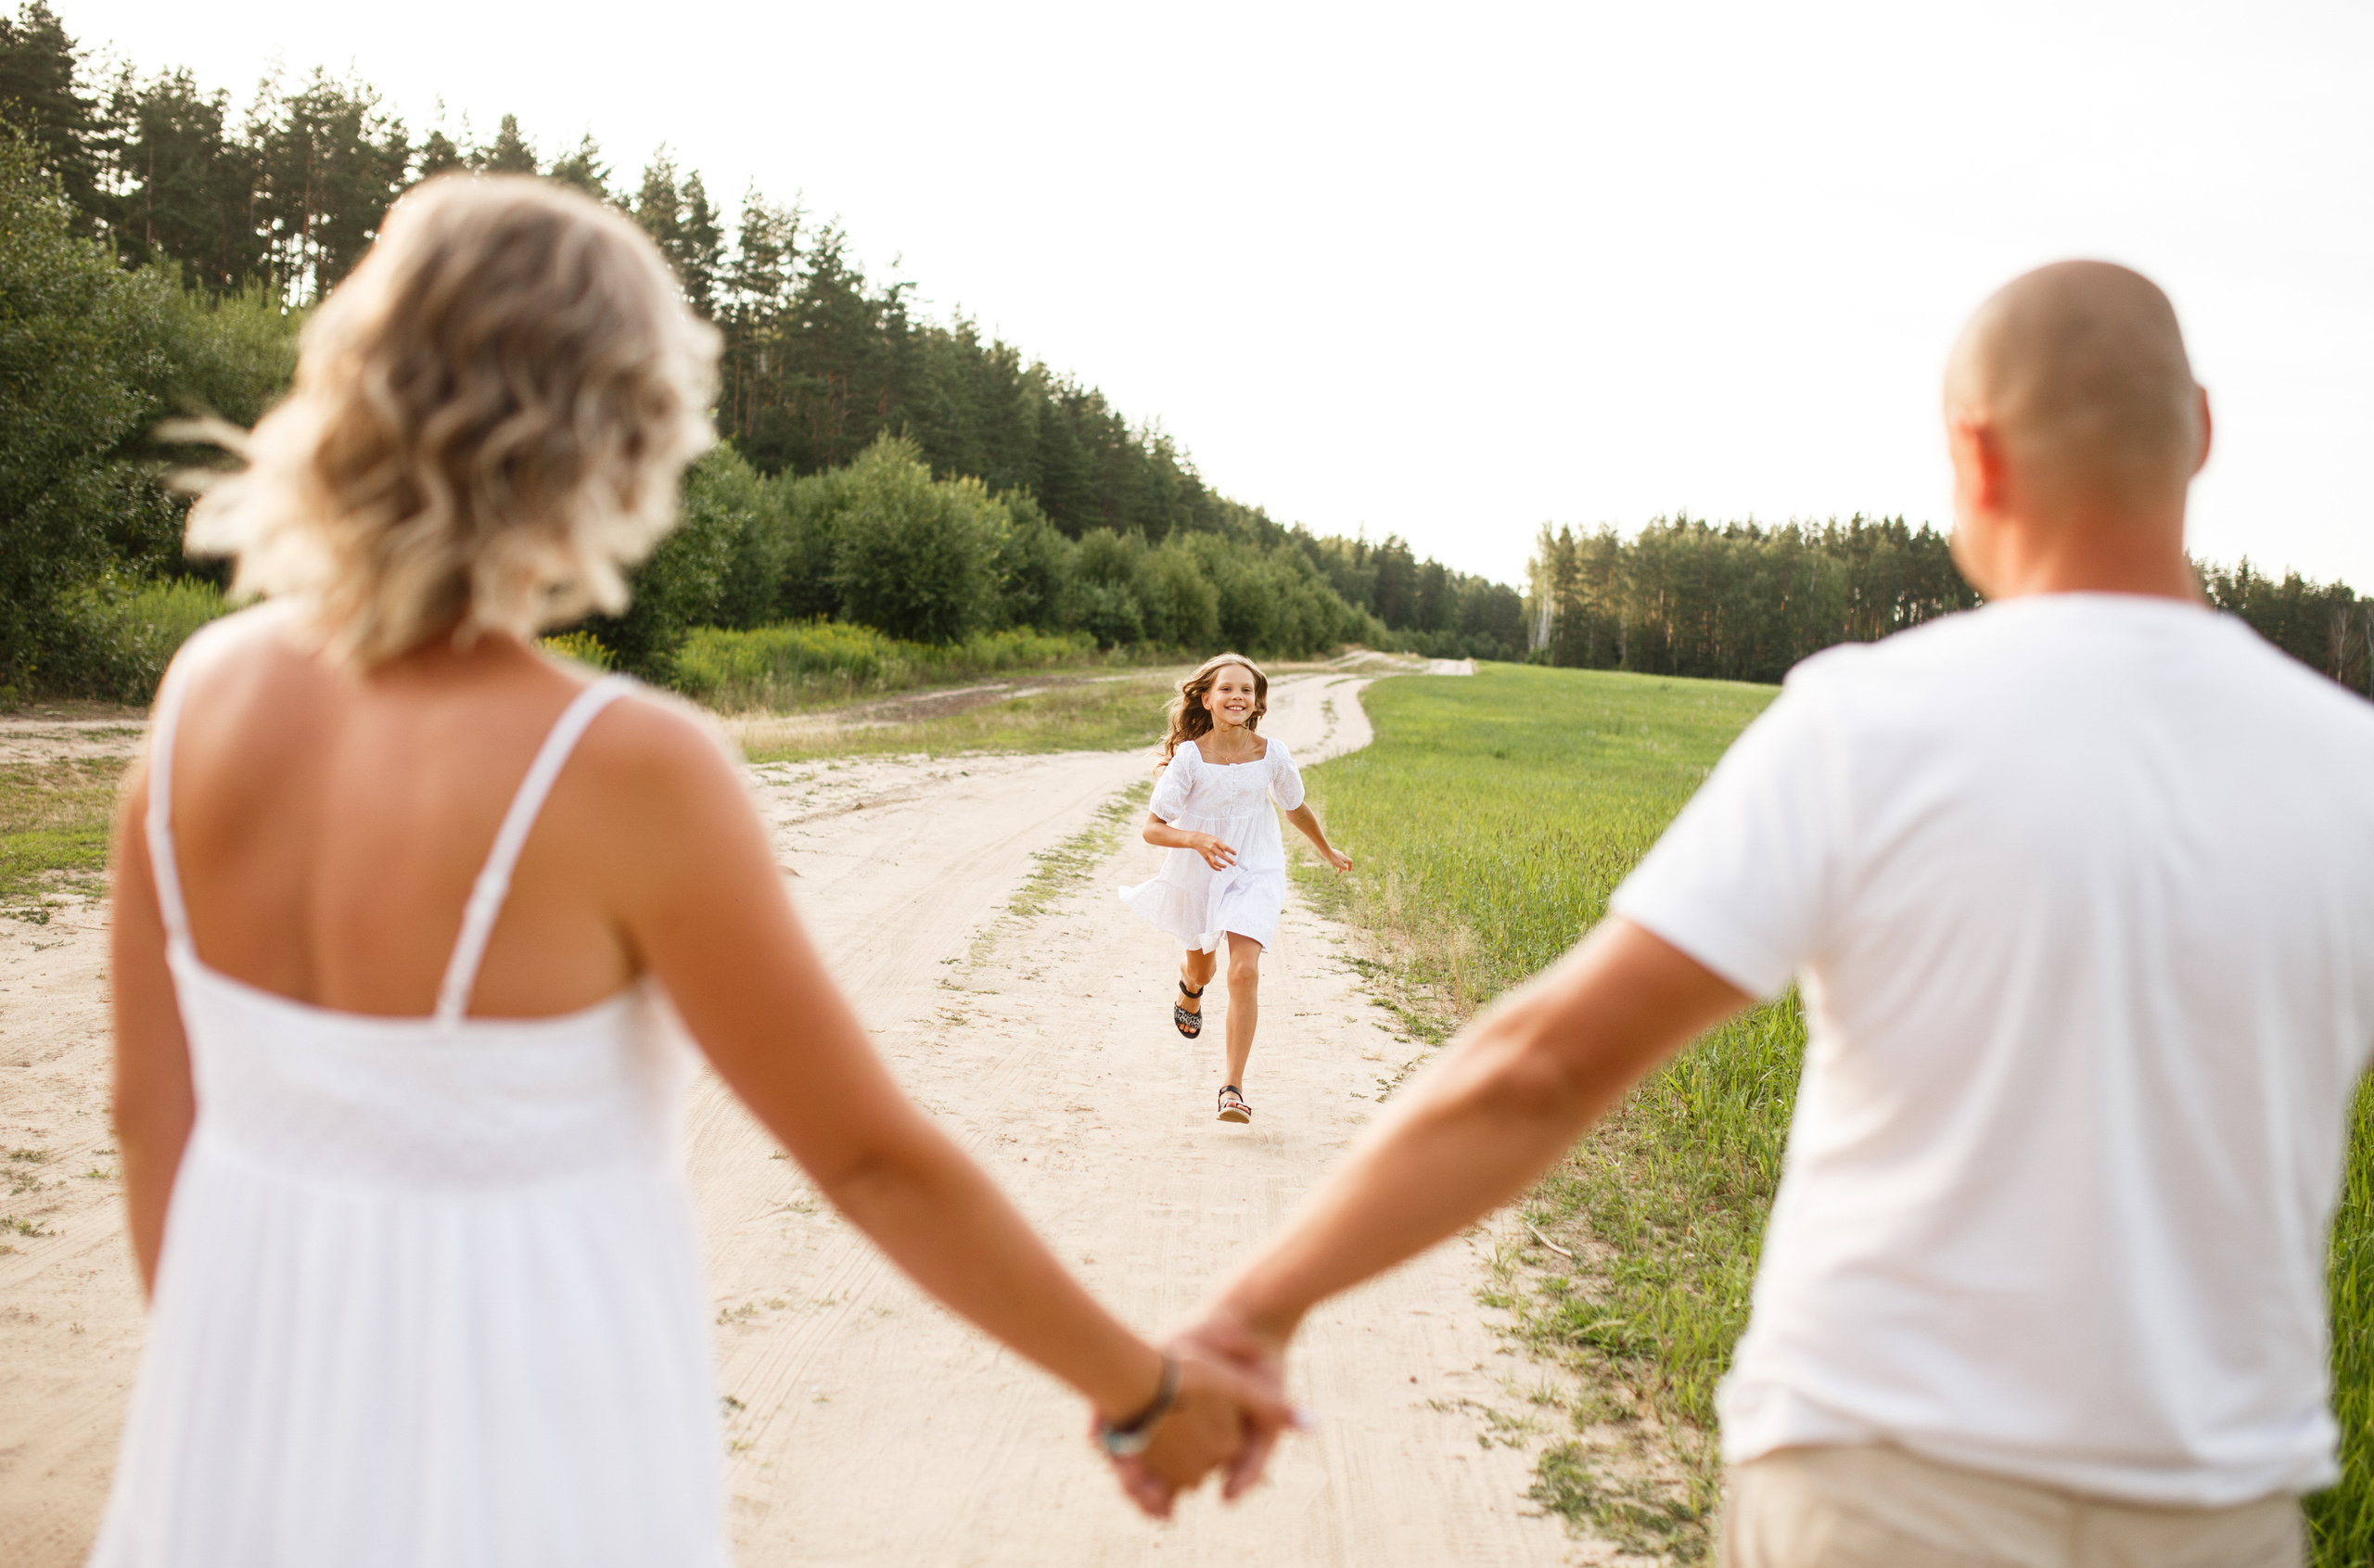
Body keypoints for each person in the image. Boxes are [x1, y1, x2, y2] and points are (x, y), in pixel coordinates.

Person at [97, 174, 1285, 1567]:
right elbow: (865, 1155)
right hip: (539, 1444)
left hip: (235, 1431)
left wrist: (228, 1397)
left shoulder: (206, 695)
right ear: (619, 434)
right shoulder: (623, 764)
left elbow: (143, 1113)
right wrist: (1141, 1391)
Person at [1154, 261, 2374, 1565]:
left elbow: (1545, 1067)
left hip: (1880, 1485)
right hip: (2219, 1514)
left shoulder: (1872, 723)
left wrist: (1256, 1308)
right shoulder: (2348, 765)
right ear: (2199, 430)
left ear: (1972, 449)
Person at [1118, 654, 1353, 1123]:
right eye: (1226, 689)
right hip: (1198, 873)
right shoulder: (1189, 759)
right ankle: (1189, 987)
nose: (1237, 697)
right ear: (1206, 699)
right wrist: (1195, 839)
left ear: (1257, 701)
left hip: (1255, 870)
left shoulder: (1272, 755)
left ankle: (1232, 1088)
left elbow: (1295, 807)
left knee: (1244, 972)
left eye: (1246, 690)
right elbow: (1152, 828)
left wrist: (1325, 849)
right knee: (1203, 971)